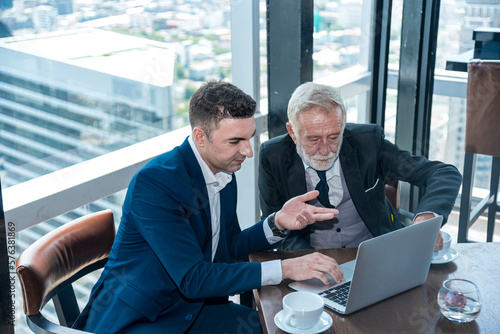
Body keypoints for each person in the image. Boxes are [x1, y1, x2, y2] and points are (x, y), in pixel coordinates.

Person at [73, 81, 344, 334]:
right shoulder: (155, 184)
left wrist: (276, 223)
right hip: (143, 319)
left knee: (279, 328)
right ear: (200, 136)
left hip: (195, 309)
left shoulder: (223, 171)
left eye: (249, 138)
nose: (248, 152)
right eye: (235, 141)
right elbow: (193, 278)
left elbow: (228, 248)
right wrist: (285, 269)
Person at [258, 82, 462, 251]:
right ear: (292, 133)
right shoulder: (272, 156)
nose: (326, 149)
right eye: (313, 139)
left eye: (334, 136)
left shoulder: (368, 143)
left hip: (378, 252)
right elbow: (277, 223)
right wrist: (305, 260)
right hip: (310, 260)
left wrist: (428, 217)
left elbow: (443, 173)